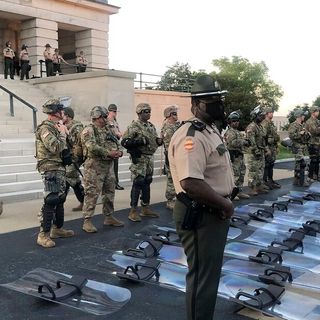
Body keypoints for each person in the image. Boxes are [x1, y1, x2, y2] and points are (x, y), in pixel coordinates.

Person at [168, 74, 234, 320]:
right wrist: (225, 204)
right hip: (200, 212)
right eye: (210, 100)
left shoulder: (210, 131)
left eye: (217, 99)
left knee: (209, 273)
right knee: (202, 277)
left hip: (212, 210)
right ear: (195, 105)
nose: (217, 104)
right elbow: (191, 183)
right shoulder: (191, 136)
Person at [35, 98, 74, 248]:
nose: (63, 112)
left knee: (60, 198)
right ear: (55, 112)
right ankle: (43, 235)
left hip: (59, 167)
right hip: (50, 167)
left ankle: (57, 229)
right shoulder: (46, 128)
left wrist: (65, 132)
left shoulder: (57, 126)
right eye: (61, 110)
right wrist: (63, 134)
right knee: (51, 200)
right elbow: (55, 147)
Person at [81, 106, 124, 233]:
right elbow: (92, 147)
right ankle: (87, 220)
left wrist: (119, 152)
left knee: (109, 192)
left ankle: (109, 216)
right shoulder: (89, 130)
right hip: (94, 167)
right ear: (97, 117)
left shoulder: (108, 129)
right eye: (104, 117)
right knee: (92, 193)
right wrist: (109, 153)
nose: (106, 119)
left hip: (108, 167)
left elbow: (117, 143)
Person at [121, 103, 163, 222]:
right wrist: (139, 141)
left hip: (149, 158)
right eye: (145, 111)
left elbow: (154, 140)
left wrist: (159, 141)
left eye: (149, 111)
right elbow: (125, 142)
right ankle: (133, 210)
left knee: (147, 181)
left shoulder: (151, 126)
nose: (148, 113)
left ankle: (145, 208)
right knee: (138, 181)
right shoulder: (134, 126)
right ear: (139, 113)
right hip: (139, 158)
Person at [62, 107, 85, 211]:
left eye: (62, 114)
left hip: (76, 158)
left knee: (67, 178)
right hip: (68, 158)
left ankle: (59, 204)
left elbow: (79, 144)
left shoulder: (76, 127)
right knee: (74, 181)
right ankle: (83, 201)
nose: (60, 116)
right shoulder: (63, 126)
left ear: (68, 116)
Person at [224, 111, 250, 200]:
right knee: (235, 175)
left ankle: (239, 191)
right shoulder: (230, 132)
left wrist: (245, 142)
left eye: (237, 121)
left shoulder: (237, 132)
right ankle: (232, 192)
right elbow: (232, 143)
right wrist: (244, 141)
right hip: (234, 156)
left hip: (240, 155)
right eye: (234, 121)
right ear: (230, 122)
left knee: (241, 173)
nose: (236, 122)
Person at [245, 105, 269, 196]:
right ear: (255, 116)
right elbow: (251, 141)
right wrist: (257, 151)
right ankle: (252, 188)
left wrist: (265, 149)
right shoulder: (251, 126)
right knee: (253, 171)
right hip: (253, 153)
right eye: (260, 115)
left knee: (260, 171)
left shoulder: (260, 126)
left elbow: (263, 139)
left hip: (260, 151)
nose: (262, 117)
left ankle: (258, 186)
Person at [160, 105, 180, 209]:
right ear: (169, 115)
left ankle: (178, 197)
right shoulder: (167, 127)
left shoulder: (177, 125)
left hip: (178, 154)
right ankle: (170, 199)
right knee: (171, 178)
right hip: (171, 155)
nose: (177, 115)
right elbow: (170, 143)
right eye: (174, 113)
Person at [288, 109, 310, 186]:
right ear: (299, 116)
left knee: (299, 164)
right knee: (302, 163)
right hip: (297, 147)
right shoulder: (293, 125)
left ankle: (297, 180)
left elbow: (306, 136)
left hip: (303, 147)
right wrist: (300, 134)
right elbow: (291, 136)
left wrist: (307, 134)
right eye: (303, 115)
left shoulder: (303, 125)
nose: (304, 116)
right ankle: (301, 181)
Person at [261, 106, 281, 189]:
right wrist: (266, 148)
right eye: (270, 112)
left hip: (272, 146)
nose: (272, 114)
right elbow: (263, 137)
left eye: (272, 112)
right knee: (267, 165)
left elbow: (274, 136)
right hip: (268, 147)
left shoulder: (271, 123)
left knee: (271, 164)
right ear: (266, 114)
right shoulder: (264, 124)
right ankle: (265, 181)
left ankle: (270, 180)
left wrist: (276, 146)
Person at [107, 103, 124, 190]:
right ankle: (113, 184)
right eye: (114, 112)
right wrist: (118, 134)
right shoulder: (108, 120)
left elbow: (117, 130)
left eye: (115, 112)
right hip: (111, 147)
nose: (115, 113)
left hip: (116, 145)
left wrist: (119, 133)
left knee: (115, 167)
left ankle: (116, 183)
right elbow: (112, 132)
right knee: (112, 168)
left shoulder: (114, 121)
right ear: (110, 112)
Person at [305, 105, 320, 181]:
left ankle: (316, 176)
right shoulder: (309, 121)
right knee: (313, 160)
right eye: (317, 111)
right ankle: (310, 176)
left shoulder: (317, 121)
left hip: (317, 143)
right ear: (313, 112)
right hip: (312, 143)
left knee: (317, 160)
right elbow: (314, 131)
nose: (318, 112)